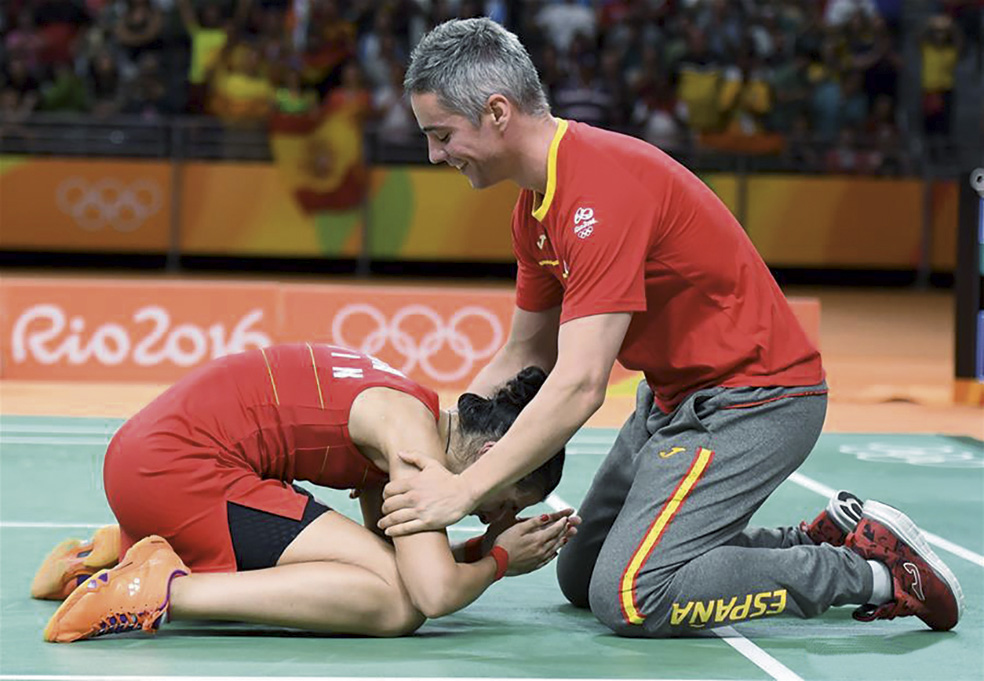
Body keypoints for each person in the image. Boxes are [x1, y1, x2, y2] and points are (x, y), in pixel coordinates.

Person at [376, 17, 965, 637]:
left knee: (632, 596)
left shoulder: (598, 191)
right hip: (672, 401)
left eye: (441, 135)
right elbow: (525, 353)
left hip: (756, 402)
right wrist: (434, 443)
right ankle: (819, 535)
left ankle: (870, 572)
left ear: (497, 112)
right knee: (582, 576)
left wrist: (464, 491)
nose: (434, 154)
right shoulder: (534, 209)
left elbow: (579, 386)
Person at [38, 343, 575, 642]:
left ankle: (116, 552)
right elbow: (427, 596)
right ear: (491, 460)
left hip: (153, 459)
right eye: (507, 502)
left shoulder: (417, 411)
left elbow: (376, 560)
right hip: (181, 470)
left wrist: (477, 553)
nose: (491, 517)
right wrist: (501, 559)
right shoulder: (414, 447)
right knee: (393, 609)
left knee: (378, 583)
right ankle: (155, 589)